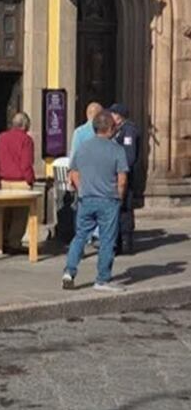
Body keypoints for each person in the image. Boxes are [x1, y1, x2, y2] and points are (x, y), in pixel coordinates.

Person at [63, 110, 129, 292]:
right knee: (107, 239)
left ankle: (69, 271)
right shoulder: (117, 149)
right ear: (110, 128)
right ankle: (102, 279)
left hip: (87, 198)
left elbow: (73, 173)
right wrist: (120, 198)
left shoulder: (83, 147)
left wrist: (82, 189)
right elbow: (122, 179)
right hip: (108, 199)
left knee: (80, 236)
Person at [0, 112, 35, 252]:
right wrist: (30, 179)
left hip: (3, 181)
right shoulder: (26, 140)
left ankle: (0, 242)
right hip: (20, 181)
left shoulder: (2, 137)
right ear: (25, 125)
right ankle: (14, 242)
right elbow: (26, 162)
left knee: (3, 213)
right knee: (20, 215)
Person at [109, 103, 140, 255]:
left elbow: (130, 156)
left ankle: (126, 242)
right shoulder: (117, 130)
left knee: (125, 208)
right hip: (116, 176)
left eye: (112, 114)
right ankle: (118, 242)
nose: (110, 117)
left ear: (119, 116)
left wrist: (119, 168)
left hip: (125, 176)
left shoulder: (129, 131)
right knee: (117, 208)